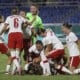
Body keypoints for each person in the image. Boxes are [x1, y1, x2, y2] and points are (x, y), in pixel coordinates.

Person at [0, 7, 36, 75]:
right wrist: (33, 20)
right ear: (17, 12)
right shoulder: (21, 18)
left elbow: (4, 27)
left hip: (12, 35)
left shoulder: (9, 17)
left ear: (12, 12)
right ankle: (13, 71)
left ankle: (18, 67)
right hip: (19, 34)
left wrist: (1, 33)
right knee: (17, 54)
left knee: (13, 54)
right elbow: (29, 23)